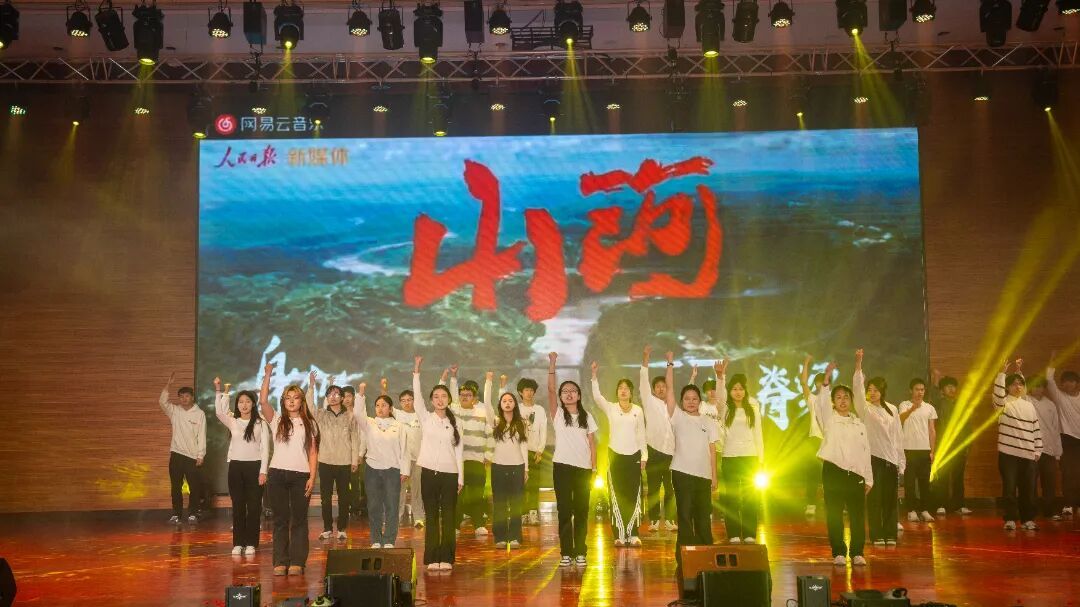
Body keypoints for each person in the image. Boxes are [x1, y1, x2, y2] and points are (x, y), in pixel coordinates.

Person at [656, 349, 719, 565]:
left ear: (700, 401)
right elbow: (670, 390)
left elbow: (712, 450)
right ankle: (686, 559)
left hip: (703, 475)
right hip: (682, 473)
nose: (691, 402)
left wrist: (714, 476)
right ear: (682, 402)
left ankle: (706, 556)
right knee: (684, 515)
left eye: (694, 398)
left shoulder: (708, 421)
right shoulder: (678, 417)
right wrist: (670, 364)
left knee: (703, 517)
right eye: (687, 399)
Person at [259, 363, 320, 576]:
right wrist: (268, 374)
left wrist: (312, 477)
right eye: (288, 398)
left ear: (302, 401)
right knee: (280, 520)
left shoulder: (309, 423)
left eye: (295, 397)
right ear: (283, 401)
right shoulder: (276, 419)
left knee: (299, 520)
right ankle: (280, 561)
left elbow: (313, 452)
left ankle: (297, 561)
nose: (292, 401)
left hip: (300, 476)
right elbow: (263, 401)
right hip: (277, 474)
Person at [813, 358, 873, 567]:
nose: (842, 401)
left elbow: (865, 452)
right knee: (834, 515)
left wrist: (869, 478)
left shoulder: (859, 424)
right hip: (833, 472)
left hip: (856, 474)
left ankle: (857, 552)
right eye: (838, 397)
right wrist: (827, 378)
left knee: (857, 516)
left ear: (851, 400)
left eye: (846, 397)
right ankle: (838, 551)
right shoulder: (829, 420)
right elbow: (822, 404)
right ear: (833, 401)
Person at [412, 356, 465, 572]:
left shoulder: (456, 421)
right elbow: (417, 397)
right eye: (436, 396)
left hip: (450, 474)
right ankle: (433, 557)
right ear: (431, 400)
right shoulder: (426, 418)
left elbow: (459, 450)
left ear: (449, 399)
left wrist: (460, 478)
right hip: (428, 473)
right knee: (432, 516)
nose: (440, 399)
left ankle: (447, 557)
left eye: (444, 396)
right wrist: (417, 370)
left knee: (449, 517)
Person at [847, 351, 904, 546]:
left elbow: (898, 437)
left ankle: (890, 533)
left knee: (890, 500)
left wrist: (901, 462)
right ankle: (877, 534)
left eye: (875, 390)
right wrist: (858, 364)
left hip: (891, 461)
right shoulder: (865, 409)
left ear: (882, 391)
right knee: (874, 499)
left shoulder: (892, 409)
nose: (871, 393)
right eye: (869, 389)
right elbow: (857, 389)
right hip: (873, 459)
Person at [547, 352, 598, 567]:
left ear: (578, 395)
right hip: (562, 468)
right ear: (560, 396)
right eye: (565, 391)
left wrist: (594, 468)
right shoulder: (558, 414)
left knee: (582, 511)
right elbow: (550, 389)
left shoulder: (587, 417)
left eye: (572, 391)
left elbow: (592, 444)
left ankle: (580, 552)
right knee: (565, 510)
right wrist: (552, 364)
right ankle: (566, 552)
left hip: (583, 469)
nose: (569, 394)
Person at [590, 361, 647, 547]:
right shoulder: (611, 408)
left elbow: (641, 434)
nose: (623, 391)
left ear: (631, 392)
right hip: (615, 456)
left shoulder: (638, 410)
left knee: (633, 495)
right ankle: (619, 535)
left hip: (634, 456)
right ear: (617, 392)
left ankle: (634, 534)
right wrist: (594, 376)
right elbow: (597, 397)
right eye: (620, 388)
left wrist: (644, 456)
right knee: (617, 495)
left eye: (626, 388)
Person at [214, 377, 270, 555]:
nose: (244, 405)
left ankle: (251, 542)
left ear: (253, 404)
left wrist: (263, 471)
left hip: (255, 468)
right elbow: (219, 412)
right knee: (238, 506)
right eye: (241, 402)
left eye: (247, 401)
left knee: (254, 507)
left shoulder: (261, 423)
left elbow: (265, 449)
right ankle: (238, 543)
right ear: (237, 405)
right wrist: (220, 391)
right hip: (236, 468)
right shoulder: (233, 421)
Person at [354, 384, 408, 548]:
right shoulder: (369, 423)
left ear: (390, 408)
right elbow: (357, 413)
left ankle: (389, 539)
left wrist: (405, 470)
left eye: (384, 405)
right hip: (372, 470)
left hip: (393, 470)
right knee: (374, 506)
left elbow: (404, 450)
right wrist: (361, 394)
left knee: (392, 506)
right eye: (377, 405)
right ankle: (376, 539)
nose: (380, 408)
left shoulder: (399, 426)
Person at [993, 359, 1043, 531]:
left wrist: (1038, 450)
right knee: (1009, 488)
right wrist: (1001, 373)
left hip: (1028, 454)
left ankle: (1028, 519)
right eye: (1014, 384)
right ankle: (1010, 519)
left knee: (1028, 489)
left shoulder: (1029, 405)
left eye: (1020, 384)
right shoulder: (1003, 404)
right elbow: (997, 394)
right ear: (1007, 387)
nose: (1018, 387)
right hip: (1008, 454)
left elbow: (1036, 428)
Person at [716, 366, 764, 544]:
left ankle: (750, 533)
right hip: (730, 456)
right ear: (729, 391)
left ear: (745, 391)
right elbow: (720, 396)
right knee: (732, 498)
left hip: (750, 457)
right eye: (734, 389)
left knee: (751, 497)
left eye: (741, 389)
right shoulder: (725, 408)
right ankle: (734, 533)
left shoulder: (752, 408)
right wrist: (720, 377)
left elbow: (758, 434)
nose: (738, 392)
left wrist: (761, 459)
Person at [309, 375, 360, 541]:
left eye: (337, 394)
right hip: (325, 461)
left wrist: (354, 460)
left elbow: (355, 439)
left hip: (344, 462)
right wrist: (311, 386)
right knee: (325, 498)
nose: (333, 396)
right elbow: (309, 407)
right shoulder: (321, 414)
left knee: (344, 498)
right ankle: (327, 528)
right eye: (330, 394)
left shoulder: (350, 416)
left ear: (342, 398)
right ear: (326, 398)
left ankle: (342, 528)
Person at [448, 368, 494, 536]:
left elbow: (490, 435)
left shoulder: (483, 413)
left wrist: (488, 456)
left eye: (468, 395)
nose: (464, 397)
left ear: (474, 398)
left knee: (477, 495)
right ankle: (455, 525)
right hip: (457, 461)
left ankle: (479, 525)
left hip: (476, 460)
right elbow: (449, 395)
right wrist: (453, 377)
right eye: (462, 395)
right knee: (457, 495)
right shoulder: (454, 411)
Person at [159, 372, 207, 525]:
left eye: (187, 396)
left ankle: (193, 513)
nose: (184, 399)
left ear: (192, 397)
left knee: (194, 487)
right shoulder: (175, 411)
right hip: (176, 454)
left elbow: (202, 435)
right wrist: (168, 384)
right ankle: (176, 514)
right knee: (176, 487)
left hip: (192, 456)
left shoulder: (199, 414)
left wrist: (201, 455)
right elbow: (162, 402)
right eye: (181, 397)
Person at [640, 348, 678, 532]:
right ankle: (654, 520)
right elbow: (643, 382)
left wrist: (669, 362)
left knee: (671, 488)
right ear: (654, 390)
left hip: (672, 452)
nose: (661, 388)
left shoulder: (673, 405)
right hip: (653, 450)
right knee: (654, 488)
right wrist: (646, 358)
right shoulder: (649, 402)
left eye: (664, 386)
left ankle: (670, 519)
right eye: (658, 386)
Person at [490, 389, 529, 549]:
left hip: (517, 467)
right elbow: (487, 404)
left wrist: (526, 469)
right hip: (498, 466)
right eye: (504, 401)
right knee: (499, 502)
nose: (507, 403)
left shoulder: (522, 423)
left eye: (510, 401)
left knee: (516, 504)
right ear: (500, 404)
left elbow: (524, 446)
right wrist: (489, 382)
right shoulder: (495, 421)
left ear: (515, 404)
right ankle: (500, 537)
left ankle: (515, 537)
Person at [929, 370, 970, 516]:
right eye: (948, 386)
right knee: (943, 476)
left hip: (959, 446)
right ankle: (941, 504)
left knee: (958, 477)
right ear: (942, 390)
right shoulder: (939, 403)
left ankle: (959, 505)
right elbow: (933, 396)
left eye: (953, 386)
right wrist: (936, 379)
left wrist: (967, 445)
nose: (952, 389)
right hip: (943, 446)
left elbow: (967, 426)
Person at [1046, 355, 1080, 517]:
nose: (1068, 384)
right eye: (1065, 381)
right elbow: (1049, 379)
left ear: (1077, 383)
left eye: (1071, 381)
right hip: (1067, 439)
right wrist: (1052, 360)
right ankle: (1068, 504)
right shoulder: (1059, 397)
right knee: (1068, 472)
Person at [899, 378, 937, 523]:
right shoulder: (904, 404)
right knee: (909, 483)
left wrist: (932, 451)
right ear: (911, 390)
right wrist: (912, 409)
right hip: (908, 449)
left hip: (924, 450)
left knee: (924, 482)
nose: (920, 392)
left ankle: (925, 510)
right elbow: (900, 420)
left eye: (922, 390)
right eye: (917, 389)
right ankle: (911, 510)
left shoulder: (929, 408)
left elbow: (932, 430)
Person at [1028, 376, 1062, 521]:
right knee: (1030, 482)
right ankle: (1031, 511)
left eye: (1041, 386)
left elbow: (1056, 429)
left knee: (1049, 482)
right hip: (1030, 449)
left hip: (1048, 449)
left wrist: (1057, 453)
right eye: (1035, 386)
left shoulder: (1050, 405)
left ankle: (1050, 510)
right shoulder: (1025, 402)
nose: (1038, 389)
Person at [517, 377, 549, 526]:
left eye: (531, 390)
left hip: (534, 452)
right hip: (518, 453)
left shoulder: (540, 410)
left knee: (534, 484)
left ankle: (533, 513)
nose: (529, 393)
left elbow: (543, 431)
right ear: (520, 392)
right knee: (520, 485)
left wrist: (540, 450)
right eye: (526, 390)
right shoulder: (516, 409)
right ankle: (522, 513)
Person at [395, 383, 426, 529]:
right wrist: (383, 388)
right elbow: (384, 402)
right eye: (403, 400)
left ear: (414, 400)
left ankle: (418, 517)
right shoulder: (397, 414)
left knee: (417, 490)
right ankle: (396, 516)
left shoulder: (421, 415)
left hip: (418, 459)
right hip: (401, 461)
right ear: (400, 403)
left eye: (409, 400)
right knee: (399, 490)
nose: (407, 403)